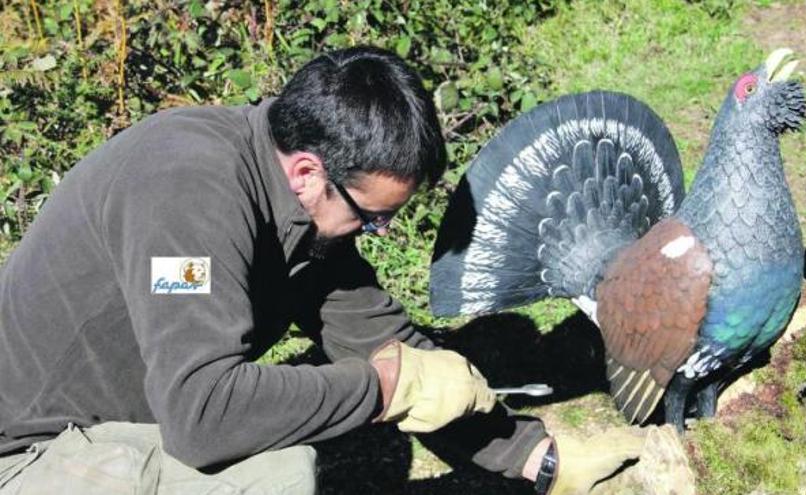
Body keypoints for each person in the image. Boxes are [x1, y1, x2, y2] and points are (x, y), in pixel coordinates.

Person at [0, 46, 645, 494]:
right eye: (372, 217)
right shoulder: (183, 203)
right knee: (274, 477)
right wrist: (381, 391)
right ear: (310, 172)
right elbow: (203, 416)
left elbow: (391, 349)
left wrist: (536, 458)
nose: (377, 232)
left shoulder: (295, 206)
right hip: (28, 451)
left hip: (136, 415)